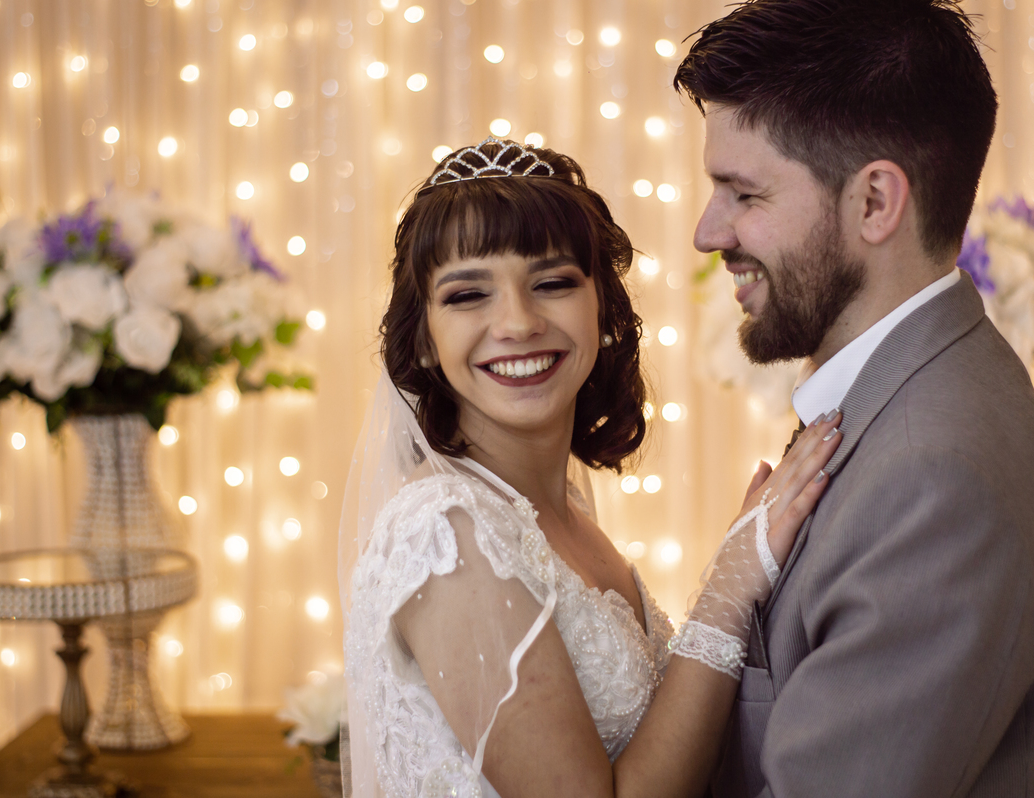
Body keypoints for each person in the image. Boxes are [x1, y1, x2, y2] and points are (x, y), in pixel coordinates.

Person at [672, 1, 1034, 796]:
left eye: (743, 194)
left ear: (874, 202)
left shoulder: (933, 479)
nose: (708, 231)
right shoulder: (908, 397)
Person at [338, 138, 842, 798]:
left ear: (603, 311)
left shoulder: (560, 512)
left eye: (552, 284)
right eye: (467, 296)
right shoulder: (443, 532)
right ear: (424, 342)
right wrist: (727, 590)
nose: (517, 323)